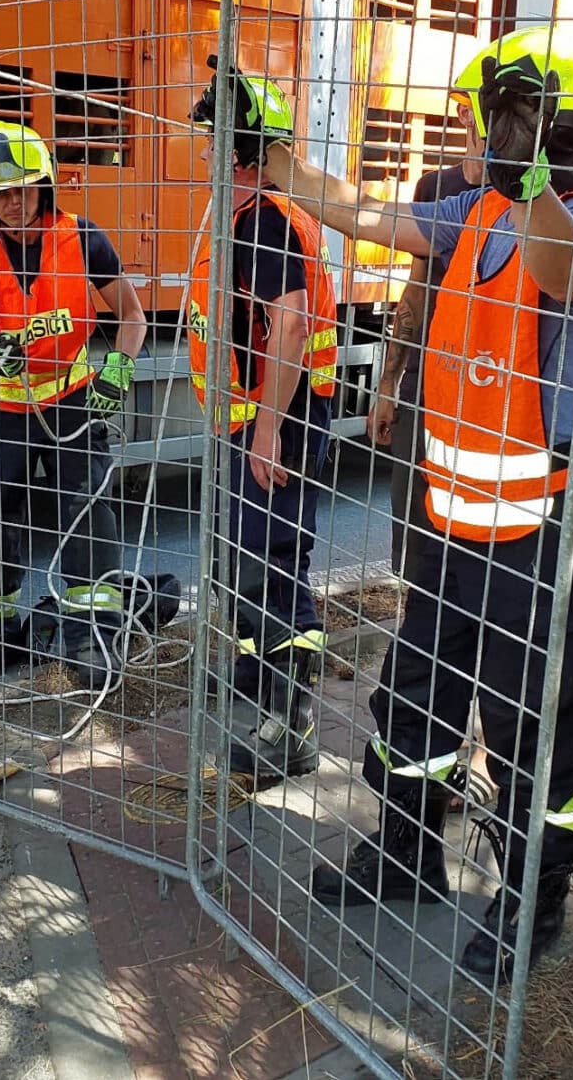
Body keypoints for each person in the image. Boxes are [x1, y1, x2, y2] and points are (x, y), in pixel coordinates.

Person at [264, 25, 573, 981]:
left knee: (528, 722)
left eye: (494, 117)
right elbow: (365, 216)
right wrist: (269, 156)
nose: (474, 134)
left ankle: (532, 894)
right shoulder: (471, 210)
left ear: (548, 126)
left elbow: (568, 274)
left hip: (548, 531)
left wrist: (534, 185)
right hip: (455, 519)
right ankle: (403, 855)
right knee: (418, 687)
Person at [187, 56, 339, 787]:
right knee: (240, 563)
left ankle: (293, 725)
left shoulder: (267, 223)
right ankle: (256, 684)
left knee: (272, 565)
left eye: (216, 140)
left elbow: (287, 326)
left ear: (245, 152)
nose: (207, 153)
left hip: (272, 420)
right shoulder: (249, 216)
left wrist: (267, 429)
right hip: (252, 418)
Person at [0, 121, 146, 683]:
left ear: (46, 186)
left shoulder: (84, 239)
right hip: (3, 409)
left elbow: (130, 316)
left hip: (73, 401)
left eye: (25, 188)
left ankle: (93, 639)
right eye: (1, 192)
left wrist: (119, 367)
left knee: (86, 514)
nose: (14, 202)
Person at [371, 162, 479, 582]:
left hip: (486, 386)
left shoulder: (525, 192)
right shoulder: (437, 187)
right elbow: (416, 289)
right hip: (426, 379)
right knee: (416, 528)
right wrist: (388, 382)